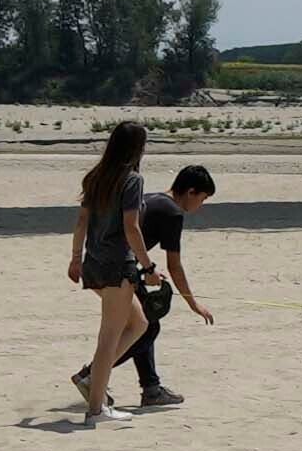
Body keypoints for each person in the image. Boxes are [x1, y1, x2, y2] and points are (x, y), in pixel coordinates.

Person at [64, 118, 151, 424]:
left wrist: (76, 258)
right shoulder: (132, 180)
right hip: (117, 266)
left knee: (138, 323)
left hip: (94, 263)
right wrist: (149, 267)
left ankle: (92, 380)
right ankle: (96, 409)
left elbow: (81, 222)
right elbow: (132, 227)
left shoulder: (96, 176)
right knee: (109, 337)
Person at [122, 164, 219, 407]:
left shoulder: (153, 199)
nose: (202, 205)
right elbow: (175, 265)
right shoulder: (173, 212)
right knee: (145, 328)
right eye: (203, 198)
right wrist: (192, 302)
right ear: (191, 192)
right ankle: (91, 375)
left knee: (144, 324)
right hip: (121, 268)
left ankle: (151, 389)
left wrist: (147, 269)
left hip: (111, 262)